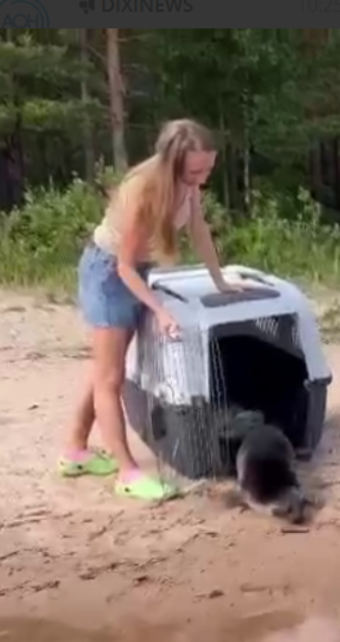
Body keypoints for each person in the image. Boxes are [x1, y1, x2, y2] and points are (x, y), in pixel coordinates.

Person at [59, 119, 244, 501]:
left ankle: (75, 450)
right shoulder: (142, 189)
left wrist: (220, 280)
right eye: (196, 170)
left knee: (104, 371)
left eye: (208, 168)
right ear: (172, 162)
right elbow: (124, 266)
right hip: (109, 272)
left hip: (135, 272)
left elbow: (198, 230)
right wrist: (159, 310)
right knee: (111, 380)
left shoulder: (187, 186)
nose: (203, 178)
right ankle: (127, 472)